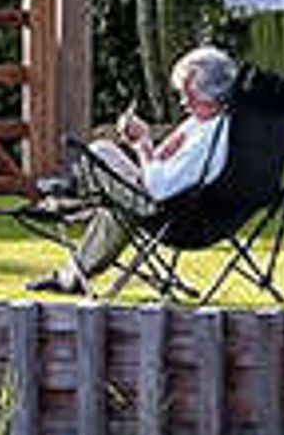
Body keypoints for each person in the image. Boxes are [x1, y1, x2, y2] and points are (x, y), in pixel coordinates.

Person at [28, 42, 239, 294]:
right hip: (186, 205)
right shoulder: (216, 124)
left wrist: (142, 145)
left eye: (188, 93)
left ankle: (70, 201)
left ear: (210, 92)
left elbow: (158, 186)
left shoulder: (210, 136)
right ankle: (71, 273)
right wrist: (153, 145)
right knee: (116, 205)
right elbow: (165, 164)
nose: (183, 101)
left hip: (171, 211)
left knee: (101, 151)